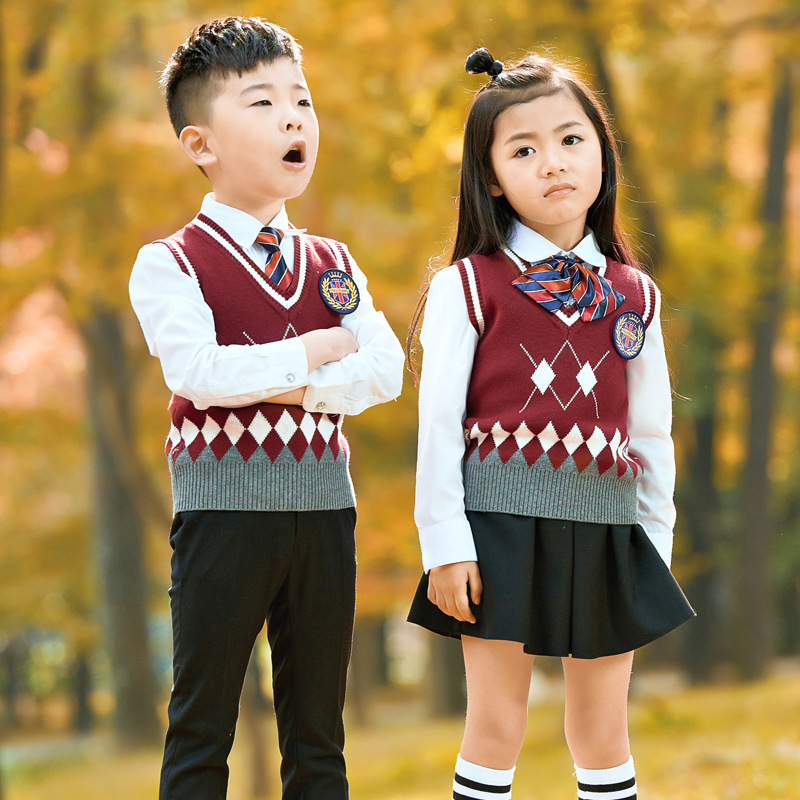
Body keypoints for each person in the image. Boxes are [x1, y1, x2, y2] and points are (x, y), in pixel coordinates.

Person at [407, 47, 695, 800]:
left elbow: (650, 434)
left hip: (606, 530)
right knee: (496, 725)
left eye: (571, 140)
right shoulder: (468, 286)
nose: (554, 163)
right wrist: (444, 544)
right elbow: (437, 425)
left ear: (602, 149)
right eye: (523, 149)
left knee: (602, 729)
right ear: (492, 176)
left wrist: (652, 544)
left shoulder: (635, 293)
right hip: (496, 528)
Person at [129, 16, 404, 800]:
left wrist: (294, 386)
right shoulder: (171, 263)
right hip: (223, 516)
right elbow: (200, 373)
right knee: (201, 730)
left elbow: (384, 372)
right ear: (200, 145)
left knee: (319, 737)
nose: (293, 119)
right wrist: (319, 353)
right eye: (261, 103)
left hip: (325, 512)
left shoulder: (334, 264)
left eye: (303, 101)